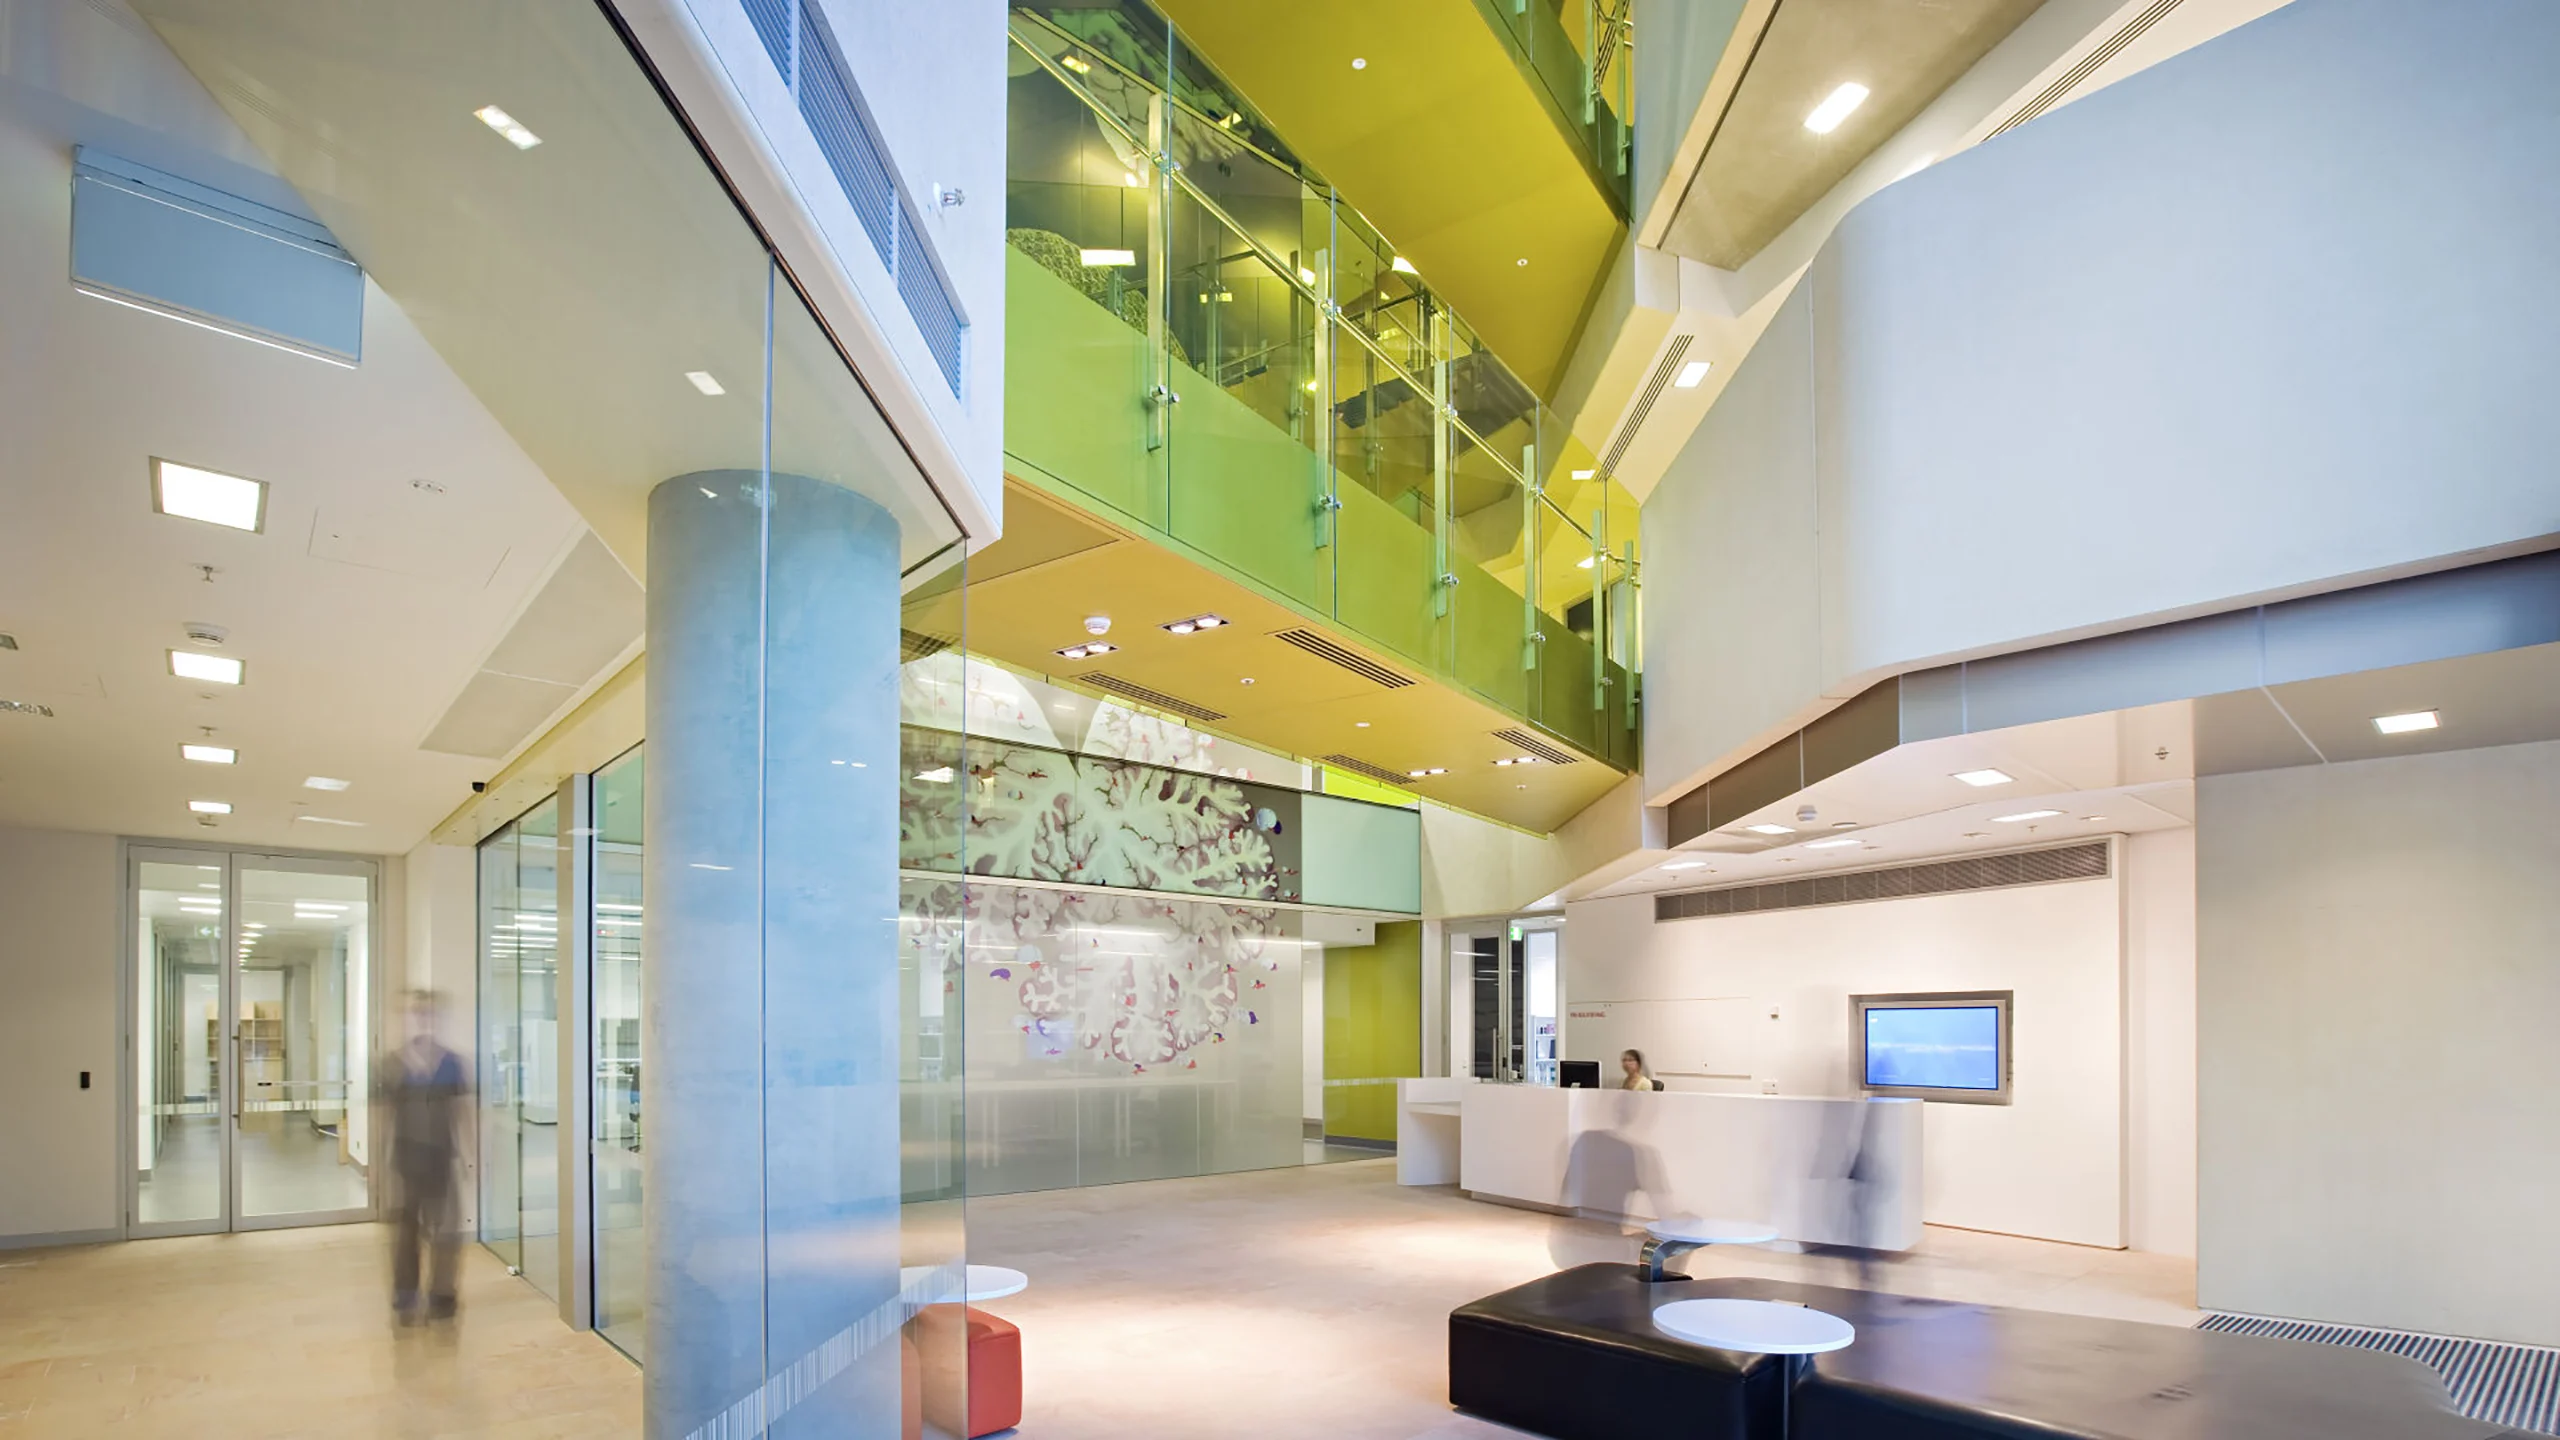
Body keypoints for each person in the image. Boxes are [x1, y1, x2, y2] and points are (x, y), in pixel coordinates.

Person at [381, 990, 467, 1324]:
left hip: (442, 1160)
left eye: (429, 1013)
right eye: (416, 1013)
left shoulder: (452, 1064)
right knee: (405, 1232)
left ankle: (443, 1294)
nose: (422, 1020)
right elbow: (382, 1115)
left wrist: (474, 1155)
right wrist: (377, 1166)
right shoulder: (392, 1064)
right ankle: (405, 1294)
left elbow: (463, 1111)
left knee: (447, 1230)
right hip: (405, 1160)